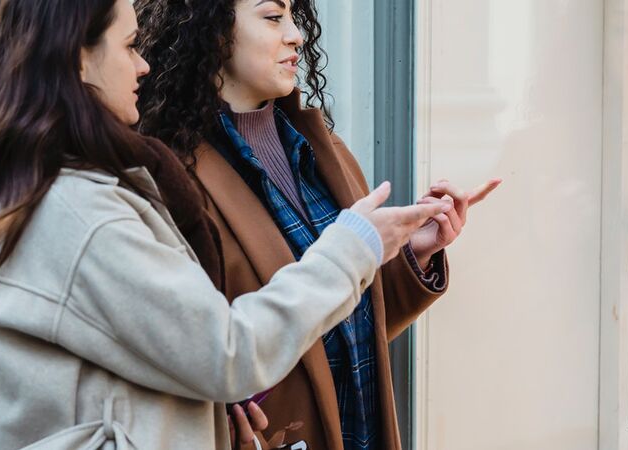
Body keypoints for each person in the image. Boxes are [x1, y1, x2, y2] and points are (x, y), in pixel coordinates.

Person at [0, 0, 449, 448]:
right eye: (129, 45)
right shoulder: (92, 208)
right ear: (79, 57)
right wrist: (354, 247)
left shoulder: (318, 151)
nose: (142, 64)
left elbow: (324, 327)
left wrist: (403, 258)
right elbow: (227, 352)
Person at [136, 0, 501, 448]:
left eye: (294, 16)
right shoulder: (171, 178)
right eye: (273, 17)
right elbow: (186, 355)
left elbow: (340, 329)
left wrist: (412, 252)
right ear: (210, 29)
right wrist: (209, 417)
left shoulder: (325, 150)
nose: (296, 35)